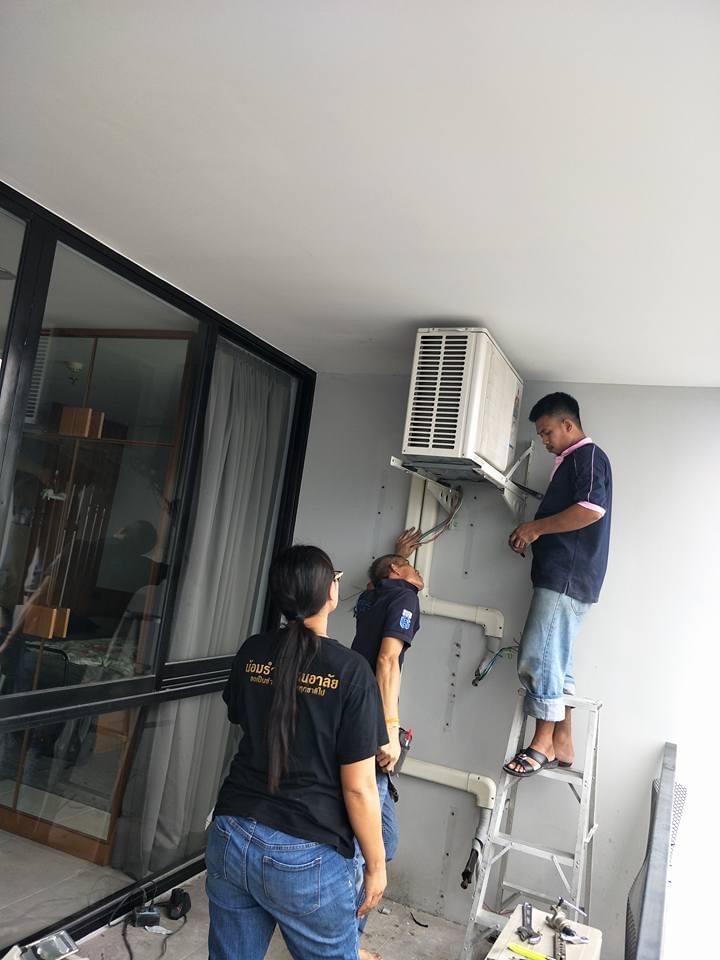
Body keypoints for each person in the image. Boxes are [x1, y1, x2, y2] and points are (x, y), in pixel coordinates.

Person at [206, 545, 389, 960]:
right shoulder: (350, 671)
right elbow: (359, 788)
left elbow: (242, 717)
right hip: (305, 852)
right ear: (330, 592)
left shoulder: (252, 651)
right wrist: (376, 866)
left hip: (231, 831)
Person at [504, 392, 612, 778]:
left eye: (547, 432)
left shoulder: (588, 456)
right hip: (568, 575)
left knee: (538, 656)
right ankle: (563, 741)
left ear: (568, 424)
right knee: (557, 660)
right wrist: (534, 533)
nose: (545, 441)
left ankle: (542, 742)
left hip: (566, 575)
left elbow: (591, 509)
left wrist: (535, 528)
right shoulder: (572, 461)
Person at [351, 529, 424, 958]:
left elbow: (376, 581)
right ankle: (344, 947)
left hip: (353, 713)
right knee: (366, 847)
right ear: (397, 571)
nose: (419, 575)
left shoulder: (372, 597)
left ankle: (340, 935)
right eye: (411, 567)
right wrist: (390, 729)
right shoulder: (405, 599)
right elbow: (388, 658)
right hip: (372, 726)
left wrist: (397, 558)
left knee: (386, 841)